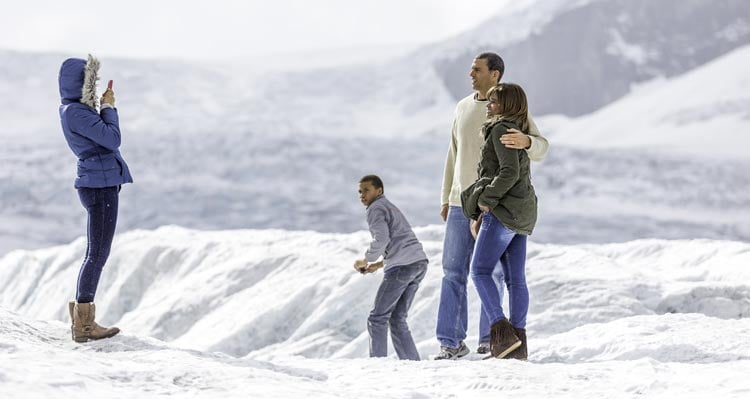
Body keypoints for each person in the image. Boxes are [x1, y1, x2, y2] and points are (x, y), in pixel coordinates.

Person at [436, 52, 548, 360]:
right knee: (452, 272)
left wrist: (526, 142)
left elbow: (541, 146)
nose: (470, 74)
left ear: (494, 74)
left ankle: (491, 340)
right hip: (462, 200)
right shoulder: (462, 107)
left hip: (495, 203)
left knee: (493, 273)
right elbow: (452, 153)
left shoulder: (511, 111)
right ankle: (450, 342)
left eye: (477, 70)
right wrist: (447, 197)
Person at [58, 54, 133, 342]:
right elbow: (112, 139)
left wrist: (101, 106)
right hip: (99, 185)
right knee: (97, 254)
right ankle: (84, 325)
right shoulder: (75, 112)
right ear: (80, 83)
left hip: (98, 182)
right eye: (90, 80)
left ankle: (81, 317)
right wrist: (109, 108)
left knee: (95, 251)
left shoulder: (73, 109)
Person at [461, 83, 537, 359]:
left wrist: (485, 201)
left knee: (479, 271)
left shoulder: (500, 129)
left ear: (506, 105)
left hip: (503, 211)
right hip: (524, 211)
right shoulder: (519, 130)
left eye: (493, 101)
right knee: (515, 279)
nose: (488, 106)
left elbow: (509, 172)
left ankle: (502, 333)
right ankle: (519, 342)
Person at [354, 175, 428, 360]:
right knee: (397, 319)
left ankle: (378, 365)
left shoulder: (375, 208)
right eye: (360, 191)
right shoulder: (389, 206)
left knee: (377, 318)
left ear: (379, 191)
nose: (362, 195)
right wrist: (379, 265)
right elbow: (399, 239)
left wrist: (366, 260)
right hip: (418, 263)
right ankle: (412, 363)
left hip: (402, 266)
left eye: (366, 190)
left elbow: (382, 239)